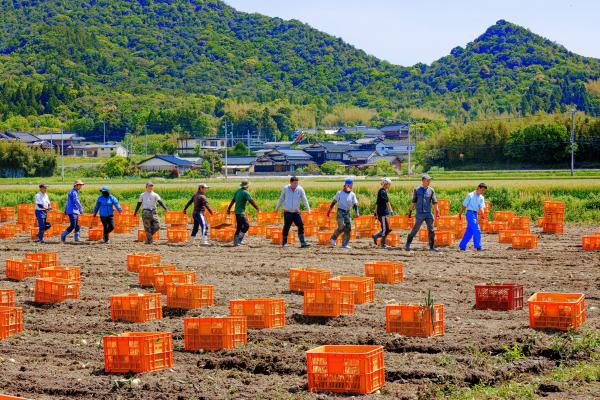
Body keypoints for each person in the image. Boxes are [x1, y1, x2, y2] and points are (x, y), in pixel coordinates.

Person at [405, 174, 440, 252]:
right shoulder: (417, 190)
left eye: (430, 180)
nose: (429, 182)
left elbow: (435, 202)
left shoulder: (431, 190)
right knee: (415, 229)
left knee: (431, 230)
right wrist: (410, 212)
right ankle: (408, 243)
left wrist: (437, 211)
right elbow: (413, 201)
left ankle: (431, 247)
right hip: (419, 214)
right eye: (428, 180)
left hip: (428, 213)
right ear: (423, 181)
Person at [275, 176, 311, 248]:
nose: (296, 184)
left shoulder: (300, 189)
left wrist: (308, 209)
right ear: (290, 182)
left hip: (296, 211)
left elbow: (304, 199)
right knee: (287, 226)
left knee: (300, 225)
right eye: (295, 183)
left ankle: (303, 242)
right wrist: (277, 208)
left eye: (297, 183)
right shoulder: (286, 189)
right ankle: (284, 243)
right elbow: (281, 198)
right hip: (287, 211)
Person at [327, 178, 359, 249]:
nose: (351, 187)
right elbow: (334, 202)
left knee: (348, 228)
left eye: (351, 185)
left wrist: (357, 212)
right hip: (340, 212)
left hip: (347, 212)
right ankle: (333, 238)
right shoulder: (339, 193)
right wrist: (329, 210)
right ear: (346, 185)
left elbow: (355, 204)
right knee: (342, 226)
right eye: (350, 185)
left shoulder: (352, 194)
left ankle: (344, 244)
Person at [227, 180, 260, 246]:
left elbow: (233, 200)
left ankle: (237, 241)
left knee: (239, 227)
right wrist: (257, 208)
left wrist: (229, 208)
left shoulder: (238, 191)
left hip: (237, 212)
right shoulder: (245, 192)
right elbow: (251, 201)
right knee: (246, 225)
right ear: (247, 186)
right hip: (240, 212)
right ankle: (238, 240)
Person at [458, 183, 488, 251]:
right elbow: (464, 205)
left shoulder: (481, 197)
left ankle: (462, 246)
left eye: (484, 191)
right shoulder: (470, 195)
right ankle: (478, 246)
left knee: (470, 231)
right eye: (482, 190)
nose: (482, 192)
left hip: (475, 214)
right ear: (478, 188)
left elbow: (481, 207)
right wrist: (460, 213)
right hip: (470, 213)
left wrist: (483, 214)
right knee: (477, 230)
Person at [372, 177, 394, 249]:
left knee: (387, 229)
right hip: (382, 213)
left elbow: (377, 203)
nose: (389, 186)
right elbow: (387, 202)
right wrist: (391, 211)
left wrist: (375, 212)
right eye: (389, 184)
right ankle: (383, 244)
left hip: (382, 213)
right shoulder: (383, 192)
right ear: (386, 184)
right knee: (385, 229)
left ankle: (376, 236)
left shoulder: (381, 191)